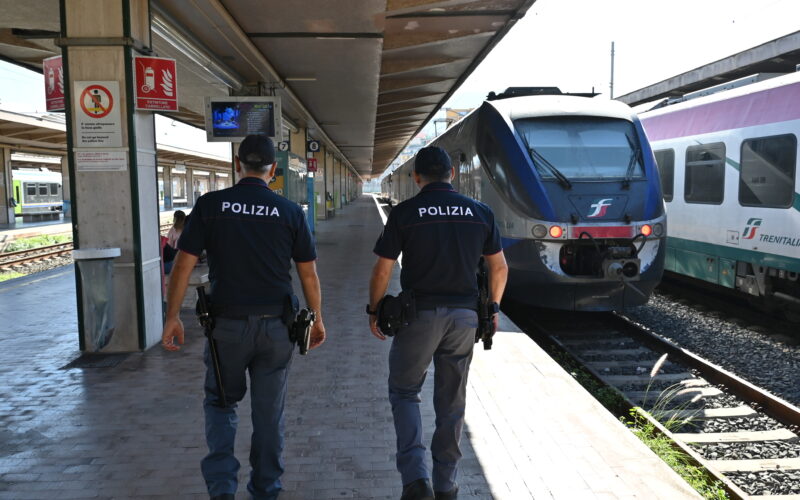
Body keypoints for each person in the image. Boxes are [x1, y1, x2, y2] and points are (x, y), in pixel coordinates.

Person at [161, 134, 326, 500]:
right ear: (273, 170)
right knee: (269, 415)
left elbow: (182, 266)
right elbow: (308, 274)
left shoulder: (210, 205)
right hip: (277, 328)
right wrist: (316, 318)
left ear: (238, 165)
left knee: (221, 404)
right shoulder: (289, 212)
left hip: (227, 328)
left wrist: (173, 316)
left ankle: (222, 490)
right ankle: (266, 490)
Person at [368, 146, 508, 500]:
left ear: (416, 177)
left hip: (418, 316)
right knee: (451, 402)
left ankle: (416, 480)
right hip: (464, 318)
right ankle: (446, 484)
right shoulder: (480, 212)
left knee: (404, 392)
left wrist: (374, 310)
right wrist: (492, 309)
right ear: (452, 174)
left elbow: (383, 269)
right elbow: (499, 268)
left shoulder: (405, 213)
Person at [163, 210, 186, 274]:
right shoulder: (186, 229)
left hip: (177, 258)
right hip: (181, 257)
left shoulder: (172, 231)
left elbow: (169, 247)